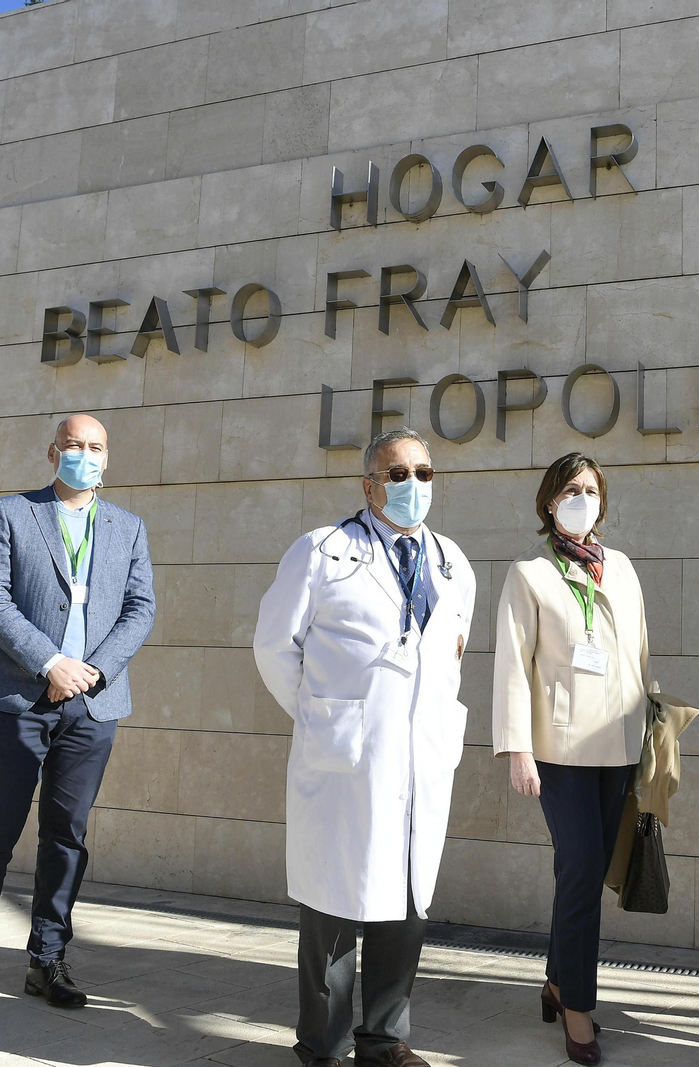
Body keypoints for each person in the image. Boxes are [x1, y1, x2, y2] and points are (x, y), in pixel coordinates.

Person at [0, 414, 156, 1026]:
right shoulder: (11, 512)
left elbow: (140, 609)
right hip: (17, 701)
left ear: (109, 457)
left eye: (96, 447)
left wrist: (93, 670)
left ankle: (46, 959)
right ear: (54, 452)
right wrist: (50, 662)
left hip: (92, 704)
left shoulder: (129, 528)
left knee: (67, 836)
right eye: (75, 445)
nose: (86, 455)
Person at [255, 427, 476, 1067]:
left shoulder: (452, 562)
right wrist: (323, 716)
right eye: (399, 473)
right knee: (333, 905)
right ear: (369, 484)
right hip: (346, 758)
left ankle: (384, 1038)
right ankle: (321, 1044)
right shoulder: (322, 551)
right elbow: (274, 647)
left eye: (424, 474)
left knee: (405, 901)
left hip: (420, 759)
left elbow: (448, 658)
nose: (413, 486)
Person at [493, 453, 655, 1066]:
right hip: (557, 750)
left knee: (581, 873)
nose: (582, 499)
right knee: (584, 865)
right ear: (548, 502)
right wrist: (517, 748)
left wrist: (647, 739)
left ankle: (557, 980)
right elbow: (513, 665)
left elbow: (639, 655)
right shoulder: (529, 573)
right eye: (570, 490)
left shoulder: (623, 569)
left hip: (617, 746)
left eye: (591, 490)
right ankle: (579, 1009)